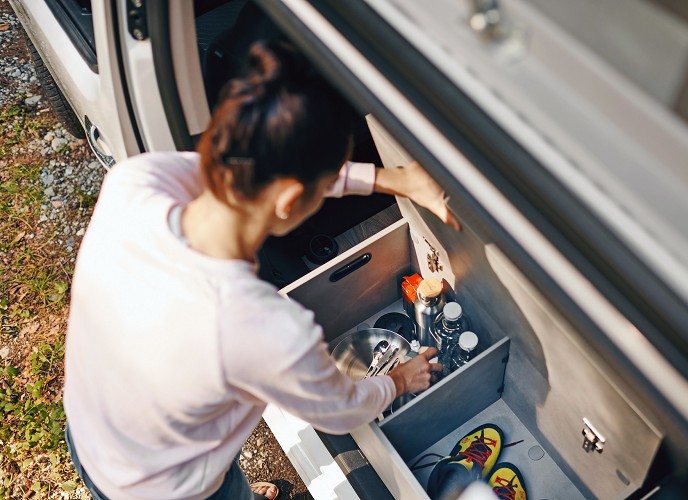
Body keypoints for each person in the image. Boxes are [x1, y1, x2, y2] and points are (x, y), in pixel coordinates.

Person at [63, 40, 457, 500]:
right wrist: (400, 379)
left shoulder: (136, 182)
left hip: (90, 428)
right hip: (161, 489)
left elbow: (268, 170)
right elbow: (343, 411)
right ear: (291, 199)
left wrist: (390, 178)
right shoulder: (258, 326)